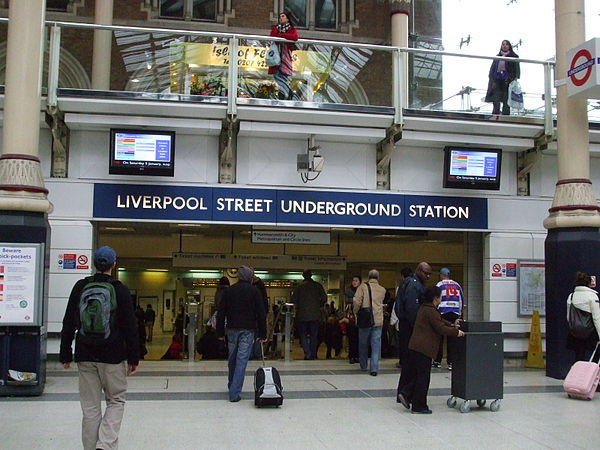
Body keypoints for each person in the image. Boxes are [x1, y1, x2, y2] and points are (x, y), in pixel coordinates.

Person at [59, 246, 139, 450]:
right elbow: (130, 326)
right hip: (112, 356)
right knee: (116, 400)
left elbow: (68, 320)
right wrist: (133, 358)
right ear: (114, 264)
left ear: (94, 263)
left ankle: (90, 447)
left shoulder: (80, 286)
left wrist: (65, 352)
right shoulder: (120, 289)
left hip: (85, 354)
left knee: (90, 408)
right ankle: (105, 445)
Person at [396, 286, 465, 414]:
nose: (441, 299)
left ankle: (406, 393)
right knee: (423, 377)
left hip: (417, 347)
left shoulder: (426, 308)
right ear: (436, 298)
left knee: (418, 375)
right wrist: (456, 332)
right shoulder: (430, 310)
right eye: (440, 296)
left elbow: (440, 321)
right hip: (423, 348)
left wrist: (452, 324)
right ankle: (419, 406)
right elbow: (440, 328)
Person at [216, 266, 267, 402]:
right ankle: (234, 392)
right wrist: (263, 333)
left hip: (231, 329)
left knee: (232, 359)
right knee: (241, 360)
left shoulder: (229, 291)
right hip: (248, 330)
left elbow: (221, 313)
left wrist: (220, 333)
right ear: (250, 276)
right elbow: (261, 314)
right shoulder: (254, 291)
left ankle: (232, 385)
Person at [394, 262, 431, 367]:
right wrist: (416, 324)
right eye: (426, 273)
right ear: (418, 271)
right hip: (409, 323)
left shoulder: (408, 282)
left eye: (429, 274)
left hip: (405, 322)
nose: (428, 276)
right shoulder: (414, 285)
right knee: (410, 352)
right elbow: (411, 307)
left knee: (406, 350)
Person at [353, 269, 387, 376]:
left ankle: (363, 365)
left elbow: (357, 302)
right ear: (378, 277)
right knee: (376, 345)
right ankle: (374, 369)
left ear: (368, 277)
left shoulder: (362, 287)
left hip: (365, 320)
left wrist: (355, 312)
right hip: (378, 320)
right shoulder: (382, 290)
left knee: (363, 343)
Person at [433, 268, 465, 370]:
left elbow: (435, 299)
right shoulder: (457, 285)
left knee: (439, 338)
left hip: (442, 313)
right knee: (453, 338)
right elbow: (461, 299)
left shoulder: (440, 285)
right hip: (454, 313)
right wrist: (459, 314)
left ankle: (437, 361)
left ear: (441, 275)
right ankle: (451, 362)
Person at [291, 269, 327, 360]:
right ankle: (313, 354)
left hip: (302, 315)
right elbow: (324, 298)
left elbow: (293, 300)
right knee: (314, 335)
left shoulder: (299, 287)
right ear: (311, 275)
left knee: (302, 335)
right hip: (315, 314)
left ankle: (307, 353)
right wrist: (318, 305)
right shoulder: (318, 286)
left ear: (303, 276)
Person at [566, 271, 600, 362]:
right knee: (594, 354)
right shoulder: (592, 296)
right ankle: (591, 374)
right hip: (589, 332)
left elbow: (569, 317)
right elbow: (597, 318)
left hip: (574, 332)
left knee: (578, 355)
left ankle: (577, 373)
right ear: (589, 283)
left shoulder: (571, 296)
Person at [268, 11, 299, 100]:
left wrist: (282, 35)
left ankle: (283, 94)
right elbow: (272, 36)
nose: (280, 18)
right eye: (280, 16)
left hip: (285, 56)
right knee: (277, 75)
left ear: (287, 18)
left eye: (283, 16)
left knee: (283, 75)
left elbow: (294, 37)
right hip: (276, 55)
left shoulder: (291, 29)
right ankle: (288, 92)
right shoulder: (276, 28)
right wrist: (283, 36)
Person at [485, 39, 520, 115]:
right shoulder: (497, 56)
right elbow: (492, 69)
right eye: (503, 44)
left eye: (506, 44)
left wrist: (512, 79)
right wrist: (492, 79)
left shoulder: (514, 56)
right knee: (496, 97)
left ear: (509, 46)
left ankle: (506, 114)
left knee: (506, 98)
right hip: (497, 79)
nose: (504, 46)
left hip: (507, 80)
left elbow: (516, 70)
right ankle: (495, 113)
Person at [341, 275, 361, 364]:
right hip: (351, 317)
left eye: (356, 280)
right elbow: (347, 305)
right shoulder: (348, 291)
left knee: (359, 338)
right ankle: (351, 356)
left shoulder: (362, 291)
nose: (354, 282)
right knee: (352, 337)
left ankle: (357, 355)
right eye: (353, 280)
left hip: (360, 318)